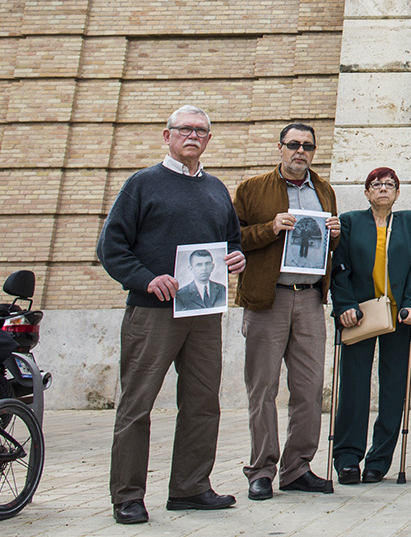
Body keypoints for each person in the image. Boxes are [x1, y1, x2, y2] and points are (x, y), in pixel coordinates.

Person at [96, 105, 245, 526]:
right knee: (136, 405)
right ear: (167, 136)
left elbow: (232, 241)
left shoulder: (216, 189)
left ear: (209, 140)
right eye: (185, 129)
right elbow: (111, 248)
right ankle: (127, 496)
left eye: (201, 131)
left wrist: (237, 259)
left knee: (203, 403)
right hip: (153, 313)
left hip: (204, 313)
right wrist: (146, 280)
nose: (193, 136)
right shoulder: (142, 185)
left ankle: (190, 487)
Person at [232, 123, 340, 501]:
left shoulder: (324, 190)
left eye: (307, 146)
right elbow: (234, 240)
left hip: (309, 298)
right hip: (268, 299)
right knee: (262, 388)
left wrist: (335, 233)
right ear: (279, 148)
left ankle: (297, 468)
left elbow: (328, 248)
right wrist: (270, 228)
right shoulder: (252, 189)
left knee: (309, 389)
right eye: (293, 145)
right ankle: (261, 469)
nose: (300, 151)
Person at [329, 167, 411, 484]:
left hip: (398, 316)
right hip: (359, 315)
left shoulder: (409, 220)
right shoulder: (351, 221)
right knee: (354, 387)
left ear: (397, 193)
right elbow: (339, 268)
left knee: (393, 389)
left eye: (389, 185)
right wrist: (344, 306)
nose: (383, 189)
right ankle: (346, 458)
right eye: (376, 185)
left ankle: (379, 460)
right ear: (367, 192)